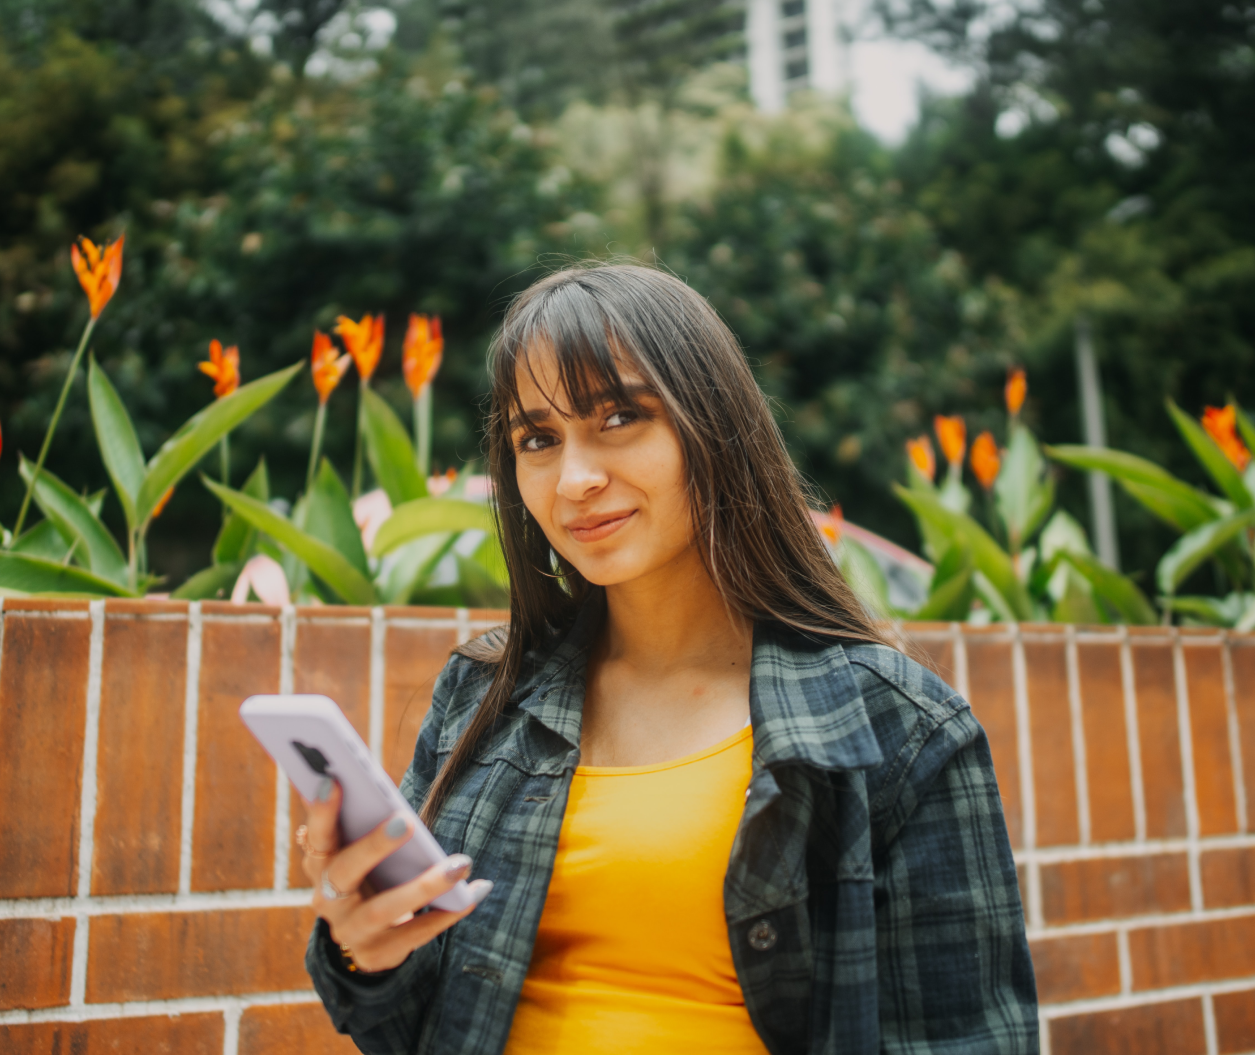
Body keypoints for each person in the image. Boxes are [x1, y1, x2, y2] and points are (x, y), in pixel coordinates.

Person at [299, 263, 1038, 1054]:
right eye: (538, 438)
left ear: (713, 427)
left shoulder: (900, 726)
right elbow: (410, 1026)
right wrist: (363, 952)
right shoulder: (483, 694)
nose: (575, 479)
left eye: (619, 417)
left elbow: (969, 1039)